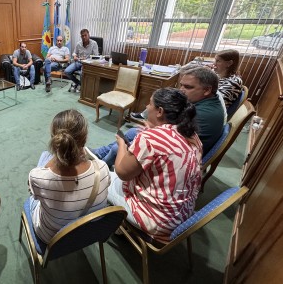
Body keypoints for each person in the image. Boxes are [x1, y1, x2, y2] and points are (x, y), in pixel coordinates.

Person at [108, 88, 202, 243]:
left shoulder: (150, 138)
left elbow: (122, 172)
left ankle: (112, 224)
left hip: (157, 220)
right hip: (182, 216)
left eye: (150, 103)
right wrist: (152, 131)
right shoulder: (192, 135)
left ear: (159, 111)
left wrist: (122, 145)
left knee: (102, 175)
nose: (147, 106)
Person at [93, 66, 224, 167]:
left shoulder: (203, 114)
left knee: (118, 147)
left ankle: (101, 169)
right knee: (134, 130)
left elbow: (169, 138)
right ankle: (100, 153)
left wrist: (150, 129)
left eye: (188, 87)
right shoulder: (208, 103)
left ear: (207, 90)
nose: (181, 90)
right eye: (181, 85)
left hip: (176, 158)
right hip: (179, 148)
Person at [28, 109, 110, 244]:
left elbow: (34, 194)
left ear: (56, 140)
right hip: (89, 233)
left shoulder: (38, 177)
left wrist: (58, 155)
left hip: (52, 238)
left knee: (44, 156)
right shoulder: (102, 167)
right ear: (85, 138)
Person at [64, 29, 99, 93]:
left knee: (82, 74)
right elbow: (74, 53)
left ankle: (83, 88)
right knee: (66, 71)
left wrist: (86, 59)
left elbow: (96, 56)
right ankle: (79, 83)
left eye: (85, 35)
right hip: (78, 62)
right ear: (81, 37)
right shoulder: (78, 44)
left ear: (89, 35)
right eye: (82, 36)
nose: (84, 37)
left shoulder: (94, 44)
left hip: (87, 64)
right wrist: (74, 56)